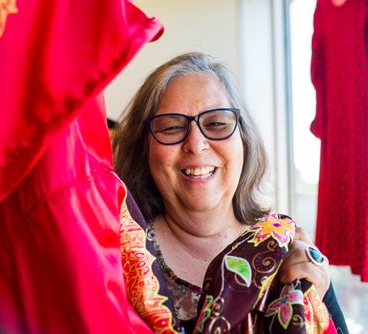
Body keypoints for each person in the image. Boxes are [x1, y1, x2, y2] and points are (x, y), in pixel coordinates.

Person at [113, 52, 348, 333]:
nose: (196, 144)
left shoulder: (291, 254)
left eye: (216, 124)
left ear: (244, 142)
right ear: (144, 150)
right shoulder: (117, 260)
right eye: (172, 127)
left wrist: (317, 309)